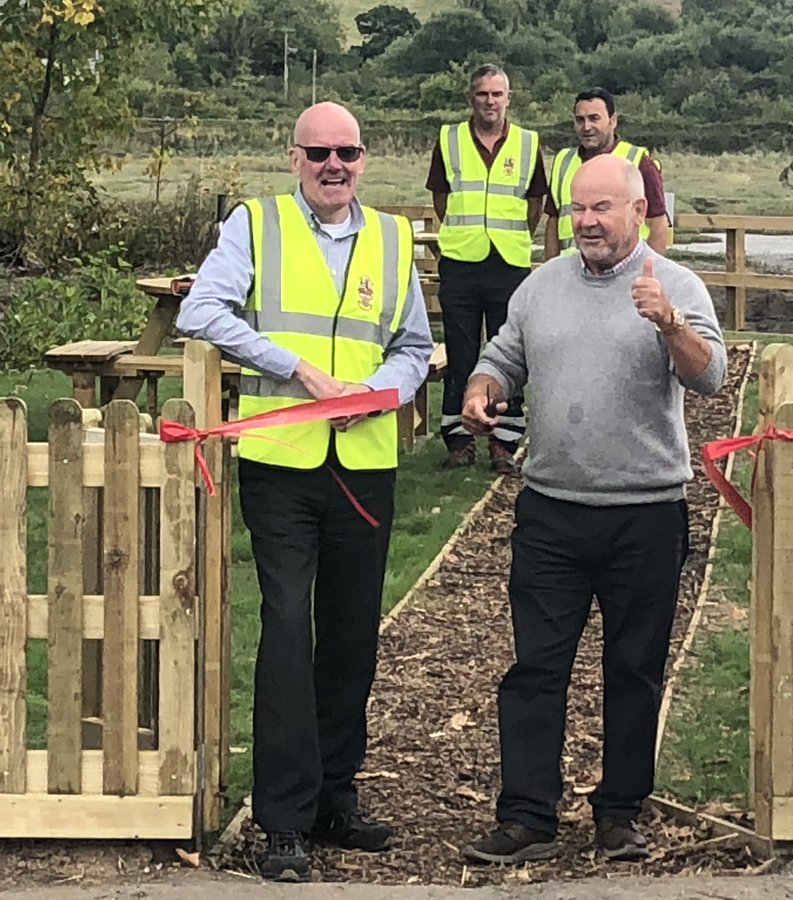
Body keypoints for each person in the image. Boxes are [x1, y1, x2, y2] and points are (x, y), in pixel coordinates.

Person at [176, 102, 434, 883]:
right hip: (283, 462)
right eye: (319, 152)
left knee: (352, 633)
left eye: (347, 152)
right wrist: (298, 371)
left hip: (364, 464)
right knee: (288, 628)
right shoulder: (257, 225)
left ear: (364, 159)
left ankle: (334, 798)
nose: (334, 166)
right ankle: (283, 819)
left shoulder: (392, 237)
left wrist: (377, 393)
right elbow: (200, 310)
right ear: (294, 158)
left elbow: (415, 346)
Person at [458, 154, 727, 864]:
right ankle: (527, 816)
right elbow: (503, 357)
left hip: (646, 512)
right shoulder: (541, 287)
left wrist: (669, 324)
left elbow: (712, 377)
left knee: (634, 668)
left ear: (638, 212)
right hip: (552, 509)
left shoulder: (676, 286)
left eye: (601, 208)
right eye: (578, 208)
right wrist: (482, 390)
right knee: (536, 668)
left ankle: (620, 813)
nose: (586, 221)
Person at [426, 63, 547, 474]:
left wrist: (511, 235)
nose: (490, 101)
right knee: (460, 354)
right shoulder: (449, 139)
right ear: (470, 98)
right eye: (482, 94)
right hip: (461, 262)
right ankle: (459, 441)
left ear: (509, 98)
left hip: (508, 263)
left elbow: (535, 204)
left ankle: (503, 442)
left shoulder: (528, 143)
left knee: (507, 353)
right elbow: (441, 198)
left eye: (497, 94)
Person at [544, 87, 670, 259]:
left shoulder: (638, 161)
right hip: (573, 269)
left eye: (594, 119)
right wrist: (552, 269)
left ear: (613, 121)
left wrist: (647, 270)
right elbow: (553, 222)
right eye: (580, 120)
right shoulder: (563, 161)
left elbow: (658, 225)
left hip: (624, 269)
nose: (586, 127)